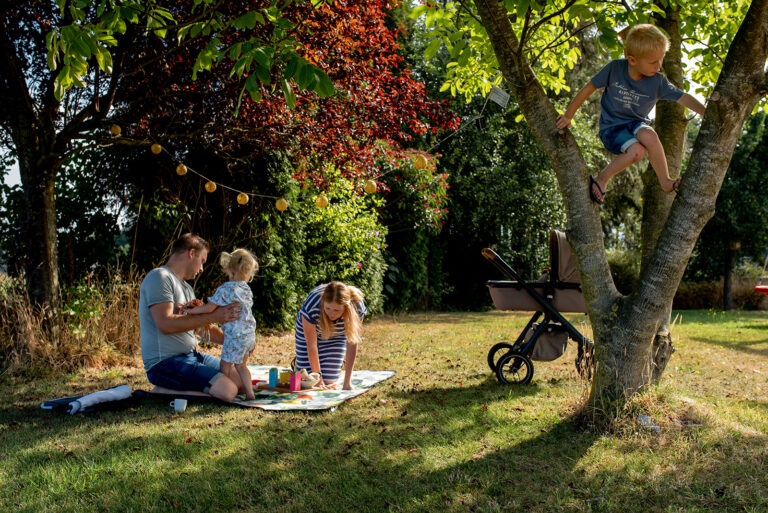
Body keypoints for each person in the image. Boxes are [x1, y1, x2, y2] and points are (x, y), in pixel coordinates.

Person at [555, 24, 707, 204]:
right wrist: (568, 116)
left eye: (661, 59)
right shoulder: (615, 69)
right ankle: (603, 178)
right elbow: (588, 88)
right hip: (612, 129)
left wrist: (706, 113)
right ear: (632, 60)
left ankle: (666, 182)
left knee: (649, 135)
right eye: (653, 62)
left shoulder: (658, 82)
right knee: (637, 152)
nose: (658, 66)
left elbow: (683, 97)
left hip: (636, 124)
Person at [138, 233, 246, 402]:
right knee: (228, 391)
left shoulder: (187, 288)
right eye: (202, 261)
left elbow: (200, 327)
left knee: (240, 382)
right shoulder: (160, 277)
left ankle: (178, 389)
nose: (202, 269)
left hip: (191, 356)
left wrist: (238, 342)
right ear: (191, 253)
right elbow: (165, 324)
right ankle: (160, 392)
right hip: (165, 363)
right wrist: (212, 316)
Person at [183, 248, 258, 401]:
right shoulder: (246, 289)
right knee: (241, 365)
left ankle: (226, 389)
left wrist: (193, 311)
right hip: (249, 335)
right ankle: (250, 393)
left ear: (229, 268)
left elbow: (210, 308)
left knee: (225, 365)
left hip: (235, 336)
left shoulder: (225, 289)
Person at [294, 281, 366, 390]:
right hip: (310, 333)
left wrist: (347, 383)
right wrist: (318, 378)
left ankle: (329, 365)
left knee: (329, 380)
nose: (332, 314)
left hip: (337, 335)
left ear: (346, 307)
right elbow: (311, 345)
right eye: (327, 308)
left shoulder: (357, 307)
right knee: (308, 381)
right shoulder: (313, 304)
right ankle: (297, 363)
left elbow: (352, 342)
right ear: (323, 303)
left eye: (337, 310)